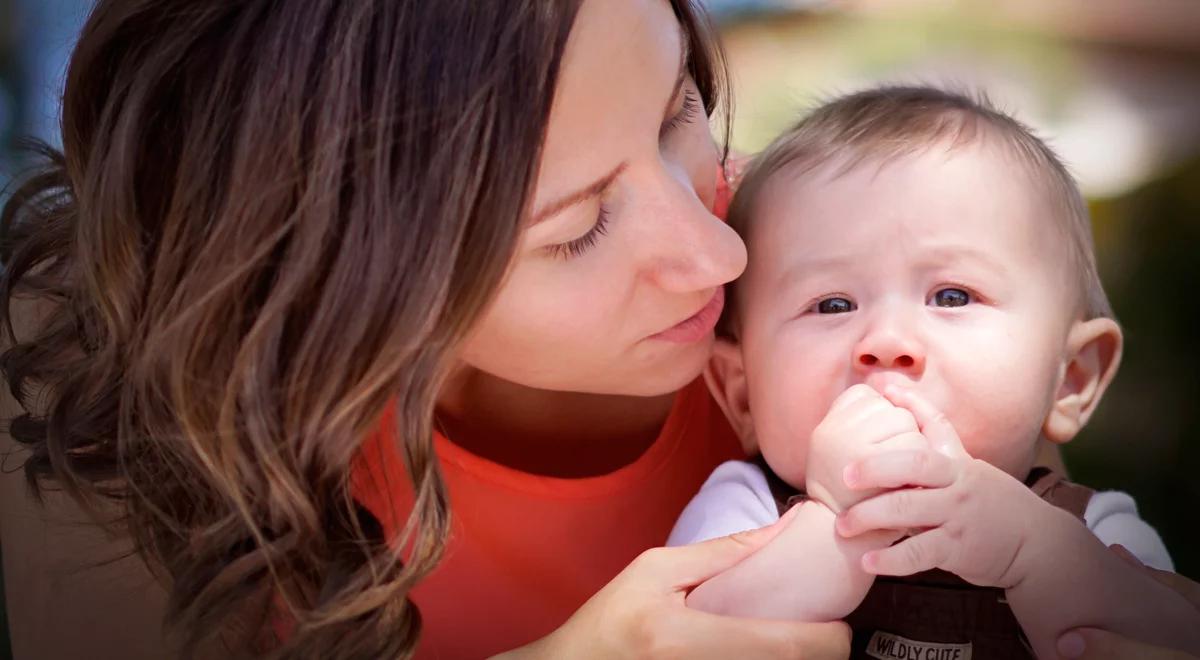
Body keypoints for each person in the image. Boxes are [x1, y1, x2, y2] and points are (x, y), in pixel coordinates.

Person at [0, 1, 852, 658]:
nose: (722, 252)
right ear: (338, 282)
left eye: (676, 112)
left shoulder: (855, 298)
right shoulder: (111, 405)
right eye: (577, 229)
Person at [666, 86, 1200, 659]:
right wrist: (834, 527)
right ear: (743, 395)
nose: (887, 343)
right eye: (833, 305)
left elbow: (1173, 638)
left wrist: (1033, 554)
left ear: (1069, 378)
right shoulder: (744, 509)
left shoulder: (1092, 527)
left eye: (951, 296)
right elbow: (680, 640)